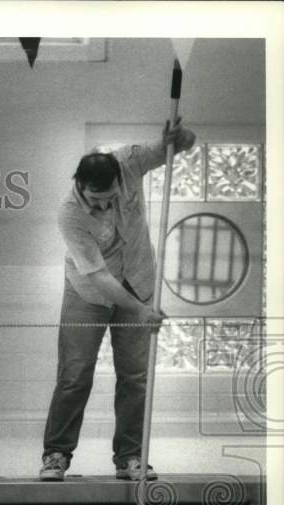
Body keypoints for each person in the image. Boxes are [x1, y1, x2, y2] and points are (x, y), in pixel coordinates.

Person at [40, 118, 196, 482]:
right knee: (75, 375)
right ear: (81, 185)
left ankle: (130, 458)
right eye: (97, 199)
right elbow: (98, 276)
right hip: (88, 292)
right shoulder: (69, 213)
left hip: (138, 280)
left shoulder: (129, 161)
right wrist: (141, 311)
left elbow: (184, 144)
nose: (105, 204)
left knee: (135, 377)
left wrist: (177, 137)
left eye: (111, 196)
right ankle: (56, 454)